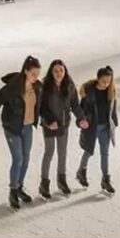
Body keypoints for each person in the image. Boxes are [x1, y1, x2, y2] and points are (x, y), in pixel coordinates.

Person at [0, 56, 43, 209]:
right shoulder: (13, 87)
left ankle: (19, 187)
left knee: (26, 159)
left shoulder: (38, 87)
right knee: (18, 158)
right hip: (13, 128)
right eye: (33, 74)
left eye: (38, 74)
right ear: (25, 71)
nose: (36, 77)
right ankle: (12, 190)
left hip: (28, 127)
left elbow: (41, 106)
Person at [38, 60, 84, 199]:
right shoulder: (45, 87)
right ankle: (44, 183)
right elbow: (41, 107)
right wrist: (49, 121)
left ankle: (61, 179)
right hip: (49, 124)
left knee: (62, 152)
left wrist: (81, 118)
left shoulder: (69, 86)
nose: (59, 73)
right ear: (51, 72)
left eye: (61, 71)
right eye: (56, 71)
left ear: (65, 71)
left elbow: (75, 104)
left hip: (63, 124)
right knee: (49, 151)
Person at [76, 66, 118, 194]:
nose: (106, 84)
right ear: (98, 79)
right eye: (104, 81)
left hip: (105, 127)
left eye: (108, 81)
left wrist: (114, 123)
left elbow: (112, 109)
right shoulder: (89, 93)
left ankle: (106, 179)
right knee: (89, 151)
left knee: (105, 153)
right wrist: (81, 122)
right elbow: (81, 111)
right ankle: (81, 171)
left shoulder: (111, 91)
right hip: (92, 127)